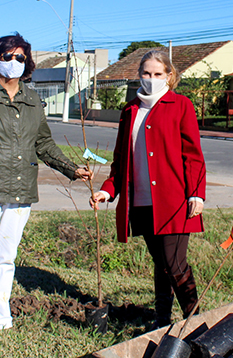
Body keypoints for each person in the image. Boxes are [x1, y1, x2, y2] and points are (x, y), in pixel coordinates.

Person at [0, 33, 91, 330]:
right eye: (7, 57)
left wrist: (71, 169)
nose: (14, 63)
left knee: (5, 257)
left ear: (27, 63)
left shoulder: (31, 99)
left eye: (20, 58)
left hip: (21, 190)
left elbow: (43, 144)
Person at [89, 50, 207, 329]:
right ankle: (162, 320)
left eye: (157, 74)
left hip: (174, 201)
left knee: (175, 265)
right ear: (138, 75)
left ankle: (197, 323)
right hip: (141, 201)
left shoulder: (181, 105)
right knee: (161, 264)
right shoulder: (130, 110)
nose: (151, 79)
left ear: (169, 75)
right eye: (146, 73)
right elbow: (121, 158)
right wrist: (108, 190)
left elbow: (193, 155)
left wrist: (197, 193)